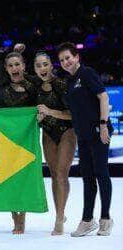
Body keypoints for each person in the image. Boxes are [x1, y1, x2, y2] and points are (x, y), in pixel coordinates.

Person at [57, 42, 114, 237]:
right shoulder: (70, 81)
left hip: (99, 132)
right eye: (62, 60)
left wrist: (104, 124)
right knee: (88, 177)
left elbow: (104, 97)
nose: (66, 62)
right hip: (83, 135)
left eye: (68, 58)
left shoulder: (87, 73)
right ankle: (87, 220)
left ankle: (106, 219)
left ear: (77, 57)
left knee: (101, 173)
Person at [0, 15, 38, 234]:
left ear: (23, 66)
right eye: (10, 65)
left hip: (25, 138)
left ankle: (23, 217)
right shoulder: (1, 82)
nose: (14, 68)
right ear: (6, 69)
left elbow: (40, 106)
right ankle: (14, 217)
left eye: (18, 64)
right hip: (4, 138)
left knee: (23, 177)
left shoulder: (33, 84)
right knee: (8, 177)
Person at [33, 51, 77, 235]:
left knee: (61, 173)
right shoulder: (33, 86)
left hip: (67, 131)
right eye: (38, 65)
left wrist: (50, 112)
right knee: (53, 174)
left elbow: (72, 114)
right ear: (34, 69)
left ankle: (60, 218)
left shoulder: (61, 84)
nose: (42, 68)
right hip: (48, 133)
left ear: (52, 66)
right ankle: (59, 213)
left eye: (45, 64)